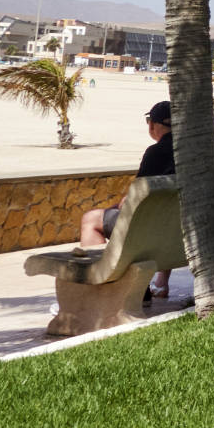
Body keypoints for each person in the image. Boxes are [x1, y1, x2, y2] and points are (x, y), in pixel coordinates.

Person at [78, 99, 176, 297]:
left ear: (154, 125)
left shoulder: (156, 153)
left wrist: (118, 205)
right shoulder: (193, 152)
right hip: (175, 231)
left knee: (90, 220)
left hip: (149, 230)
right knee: (166, 215)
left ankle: (99, 285)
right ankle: (155, 285)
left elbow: (136, 197)